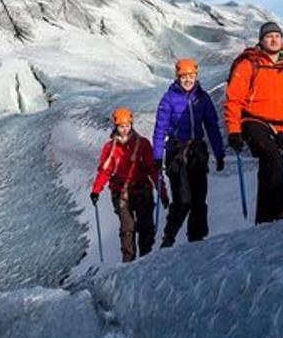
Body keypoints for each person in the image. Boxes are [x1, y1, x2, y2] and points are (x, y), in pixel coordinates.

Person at [225, 21, 283, 223]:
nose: (273, 40)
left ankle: (263, 219)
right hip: (254, 121)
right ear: (261, 40)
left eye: (277, 36)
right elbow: (234, 99)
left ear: (282, 39)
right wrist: (234, 130)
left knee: (270, 167)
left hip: (282, 125)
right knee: (272, 158)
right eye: (268, 36)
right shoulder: (249, 64)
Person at [152, 58, 225, 247]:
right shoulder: (168, 99)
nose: (188, 80)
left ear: (196, 76)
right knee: (183, 200)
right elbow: (160, 130)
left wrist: (219, 152)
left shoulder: (203, 98)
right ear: (178, 77)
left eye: (191, 76)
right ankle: (169, 236)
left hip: (197, 153)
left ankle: (197, 240)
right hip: (176, 154)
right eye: (184, 76)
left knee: (199, 199)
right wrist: (157, 157)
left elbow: (212, 126)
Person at [90, 107, 160, 262]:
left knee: (145, 226)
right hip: (121, 192)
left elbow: (151, 169)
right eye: (122, 126)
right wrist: (96, 190)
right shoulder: (110, 148)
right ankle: (128, 261)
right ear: (116, 126)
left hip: (142, 189)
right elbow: (105, 171)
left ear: (131, 124)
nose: (125, 129)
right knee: (127, 229)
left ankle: (146, 258)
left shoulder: (143, 144)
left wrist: (162, 191)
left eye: (127, 125)